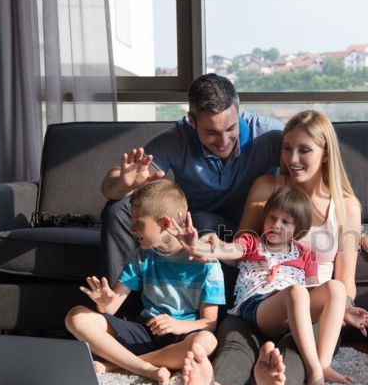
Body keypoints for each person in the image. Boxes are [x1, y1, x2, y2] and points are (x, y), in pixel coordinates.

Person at [180, 110, 368, 385]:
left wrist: (346, 306)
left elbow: (345, 279)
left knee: (297, 352)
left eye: (304, 150)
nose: (292, 159)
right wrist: (208, 247)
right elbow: (241, 247)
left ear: (326, 154)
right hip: (257, 301)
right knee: (237, 347)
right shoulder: (266, 186)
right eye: (287, 148)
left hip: (313, 309)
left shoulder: (346, 206)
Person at [99, 73, 285, 285]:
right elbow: (109, 187)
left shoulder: (269, 135)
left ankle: (213, 313)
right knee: (118, 209)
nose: (224, 141)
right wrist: (123, 185)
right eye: (212, 132)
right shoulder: (176, 139)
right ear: (191, 121)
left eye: (231, 128)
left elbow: (312, 169)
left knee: (204, 222)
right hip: (191, 227)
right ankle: (117, 304)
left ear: (238, 113)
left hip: (245, 233)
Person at [176, 187, 357, 385]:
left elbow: (315, 290)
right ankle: (313, 369)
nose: (275, 225)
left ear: (298, 228)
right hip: (258, 309)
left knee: (335, 287)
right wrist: (199, 246)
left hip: (291, 313)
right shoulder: (252, 243)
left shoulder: (306, 255)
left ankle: (323, 364)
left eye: (285, 221)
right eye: (272, 217)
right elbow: (225, 249)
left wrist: (343, 308)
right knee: (296, 292)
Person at [65, 179, 226, 385]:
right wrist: (104, 302)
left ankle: (117, 365)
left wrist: (179, 325)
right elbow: (112, 308)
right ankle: (145, 368)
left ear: (165, 223)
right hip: (145, 330)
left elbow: (209, 323)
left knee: (206, 342)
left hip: (181, 335)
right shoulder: (141, 256)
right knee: (76, 316)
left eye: (138, 223)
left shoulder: (207, 263)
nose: (132, 229)